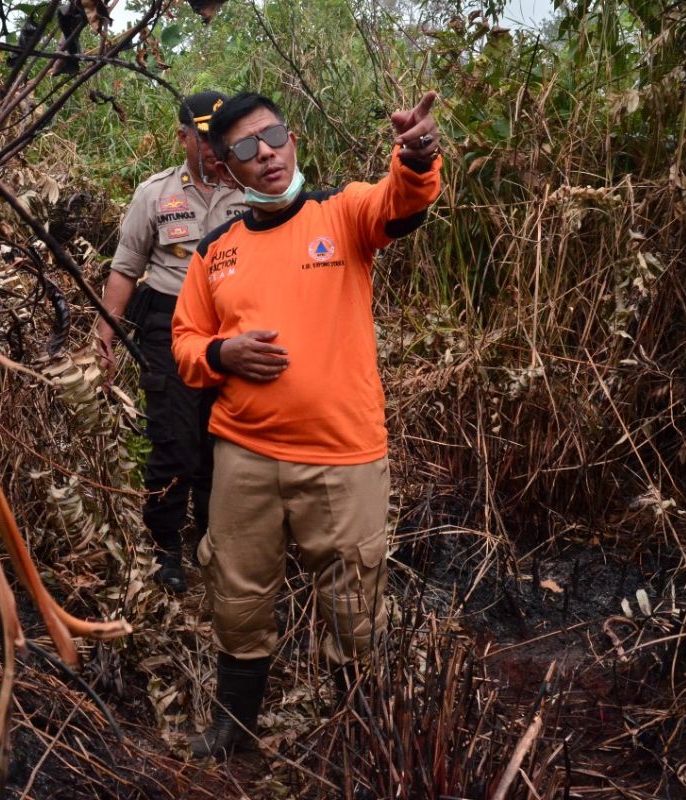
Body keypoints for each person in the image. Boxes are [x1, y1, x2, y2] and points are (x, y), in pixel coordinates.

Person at [171, 91, 444, 758]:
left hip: (342, 456)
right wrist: (219, 353)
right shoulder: (215, 252)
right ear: (226, 167)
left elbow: (402, 201)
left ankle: (358, 740)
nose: (263, 153)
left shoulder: (342, 212)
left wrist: (417, 154)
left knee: (355, 606)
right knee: (237, 595)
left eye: (273, 137)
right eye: (243, 148)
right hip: (244, 455)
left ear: (292, 140)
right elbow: (183, 343)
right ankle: (232, 735)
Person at [92, 91, 248, 594]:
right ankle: (165, 551)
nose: (211, 147)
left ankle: (211, 545)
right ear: (182, 136)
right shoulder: (154, 194)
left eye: (219, 136)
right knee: (174, 444)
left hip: (233, 330)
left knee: (220, 447)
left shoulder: (249, 188)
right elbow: (125, 270)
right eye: (202, 137)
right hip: (168, 327)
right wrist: (104, 338)